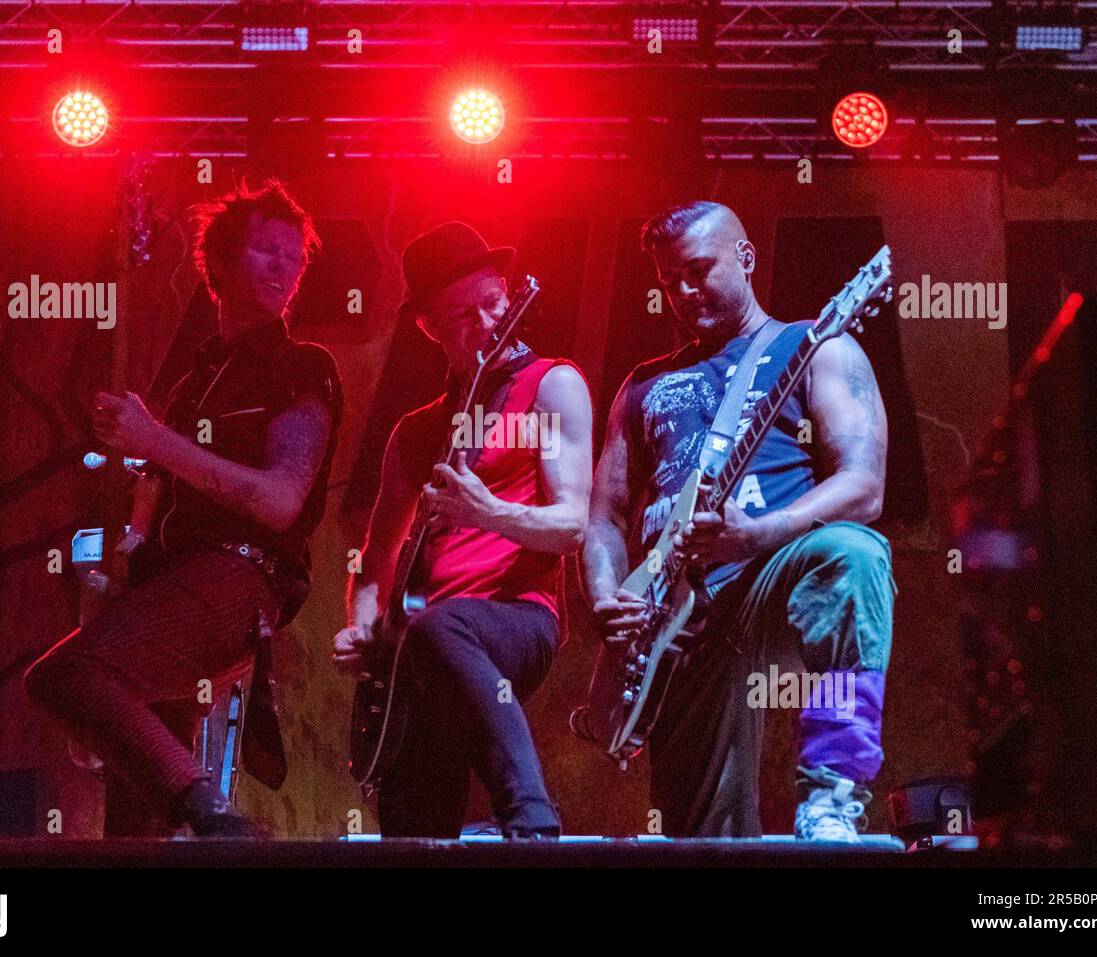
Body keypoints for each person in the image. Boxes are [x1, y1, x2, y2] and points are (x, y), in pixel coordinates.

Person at [25, 181, 342, 838]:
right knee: (134, 801)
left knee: (66, 673)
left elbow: (282, 501)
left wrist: (156, 440)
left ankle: (212, 814)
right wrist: (120, 572)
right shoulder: (196, 380)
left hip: (238, 575)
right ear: (219, 264)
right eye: (266, 249)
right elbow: (152, 502)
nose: (285, 265)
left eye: (294, 256)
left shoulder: (301, 366)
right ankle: (181, 818)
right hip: (170, 581)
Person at [583, 200, 896, 840]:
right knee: (702, 837)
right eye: (670, 281)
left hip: (770, 576)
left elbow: (863, 487)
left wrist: (756, 536)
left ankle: (833, 793)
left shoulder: (814, 347)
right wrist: (608, 600)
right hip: (671, 621)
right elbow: (604, 520)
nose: (684, 290)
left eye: (699, 270)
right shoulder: (643, 384)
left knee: (853, 554)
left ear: (747, 258)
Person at [332, 222, 593, 839]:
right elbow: (376, 561)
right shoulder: (416, 431)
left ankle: (533, 823)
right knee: (413, 826)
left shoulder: (550, 384)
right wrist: (362, 624)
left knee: (442, 626)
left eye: (493, 300)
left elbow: (571, 527)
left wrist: (490, 514)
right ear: (428, 327)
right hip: (420, 651)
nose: (486, 320)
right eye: (460, 313)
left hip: (515, 618)